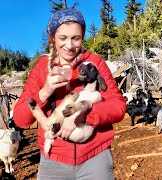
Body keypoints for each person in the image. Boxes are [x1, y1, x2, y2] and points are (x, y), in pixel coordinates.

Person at [13, 8, 126, 180]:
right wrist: (45, 92)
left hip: (94, 158)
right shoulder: (42, 68)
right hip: (53, 162)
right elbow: (21, 119)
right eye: (62, 38)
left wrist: (83, 116)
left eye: (76, 38)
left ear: (82, 36)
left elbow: (118, 106)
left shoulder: (94, 63)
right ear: (52, 38)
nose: (70, 45)